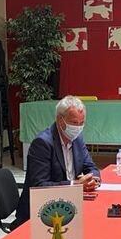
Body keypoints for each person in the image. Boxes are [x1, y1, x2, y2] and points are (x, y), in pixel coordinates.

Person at [14, 96, 101, 227]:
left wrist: (93, 179)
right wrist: (74, 185)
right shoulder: (43, 143)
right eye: (74, 123)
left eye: (81, 123)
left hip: (69, 204)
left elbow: (91, 166)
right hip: (41, 212)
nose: (78, 128)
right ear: (60, 120)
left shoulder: (77, 139)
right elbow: (39, 186)